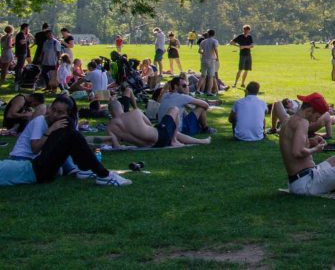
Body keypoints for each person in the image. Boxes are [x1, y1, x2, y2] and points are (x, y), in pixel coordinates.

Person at [0, 95, 131, 187]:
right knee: (70, 133)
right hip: (31, 167)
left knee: (69, 134)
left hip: (34, 165)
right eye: (53, 110)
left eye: (59, 112)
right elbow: (35, 148)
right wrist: (50, 131)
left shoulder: (52, 122)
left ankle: (90, 171)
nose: (54, 114)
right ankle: (102, 174)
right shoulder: (43, 123)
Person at [279, 92, 335, 196]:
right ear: (309, 111)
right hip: (306, 183)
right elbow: (297, 152)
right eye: (317, 116)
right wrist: (316, 149)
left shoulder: (288, 120)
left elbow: (293, 145)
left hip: (299, 180)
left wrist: (311, 141)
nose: (317, 120)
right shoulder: (302, 122)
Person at [107, 96, 210, 148]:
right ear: (122, 107)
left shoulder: (110, 127)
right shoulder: (135, 112)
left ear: (110, 112)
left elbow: (116, 146)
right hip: (160, 137)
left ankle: (201, 141)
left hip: (148, 146)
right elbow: (149, 125)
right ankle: (174, 141)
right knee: (174, 109)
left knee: (172, 131)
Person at [198, 30, 220, 96]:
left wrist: (204, 53)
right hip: (211, 60)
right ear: (214, 34)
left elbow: (199, 51)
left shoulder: (203, 41)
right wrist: (217, 57)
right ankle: (209, 91)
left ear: (208, 34)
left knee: (203, 76)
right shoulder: (215, 41)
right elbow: (215, 49)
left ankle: (198, 90)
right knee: (211, 76)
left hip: (203, 60)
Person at [12, 23, 31, 90]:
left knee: (20, 66)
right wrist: (27, 38)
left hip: (23, 52)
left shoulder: (22, 34)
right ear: (25, 28)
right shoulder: (20, 34)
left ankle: (18, 80)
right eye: (28, 28)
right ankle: (17, 80)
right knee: (19, 67)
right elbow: (22, 42)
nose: (28, 29)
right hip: (21, 53)